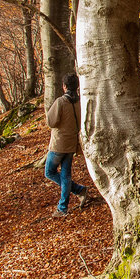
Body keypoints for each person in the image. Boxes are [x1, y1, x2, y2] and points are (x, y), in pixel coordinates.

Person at [44, 73, 92, 218]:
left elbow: (51, 122)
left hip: (59, 144)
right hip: (72, 143)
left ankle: (72, 196)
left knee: (49, 172)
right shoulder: (79, 102)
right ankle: (72, 198)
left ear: (64, 86)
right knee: (65, 174)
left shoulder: (61, 102)